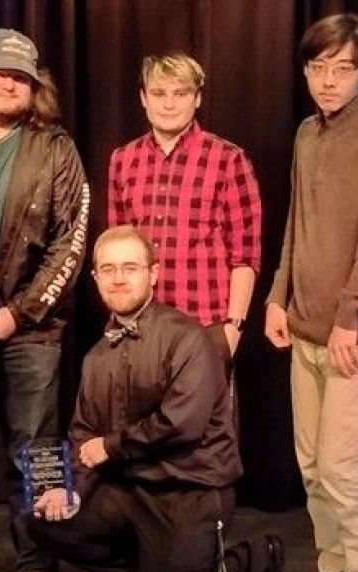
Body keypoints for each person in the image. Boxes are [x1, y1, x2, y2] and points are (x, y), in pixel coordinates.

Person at [26, 225, 285, 572]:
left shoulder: (189, 338)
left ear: (154, 273)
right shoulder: (97, 356)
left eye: (130, 268)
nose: (118, 279)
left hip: (190, 491)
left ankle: (255, 560)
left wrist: (111, 447)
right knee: (41, 521)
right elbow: (83, 436)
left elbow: (183, 424)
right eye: (108, 270)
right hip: (132, 489)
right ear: (96, 278)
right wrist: (70, 490)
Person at [264, 13, 358, 572]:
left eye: (342, 68)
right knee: (310, 468)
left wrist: (352, 313)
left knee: (340, 469)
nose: (328, 80)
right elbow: (296, 224)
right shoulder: (306, 132)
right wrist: (278, 297)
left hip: (353, 329)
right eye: (318, 67)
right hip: (303, 327)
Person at [0, 28, 90, 572]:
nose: (10, 84)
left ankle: (36, 565)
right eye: (0, 72)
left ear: (36, 87)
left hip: (32, 329)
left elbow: (72, 242)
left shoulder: (55, 147)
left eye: (22, 77)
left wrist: (19, 312)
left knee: (35, 450)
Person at [106, 52, 262, 369]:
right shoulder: (123, 160)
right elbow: (117, 249)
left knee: (206, 419)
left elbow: (245, 255)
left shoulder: (228, 159)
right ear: (143, 98)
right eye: (159, 93)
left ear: (198, 98)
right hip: (139, 323)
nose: (169, 104)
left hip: (205, 325)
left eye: (181, 93)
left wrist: (233, 326)